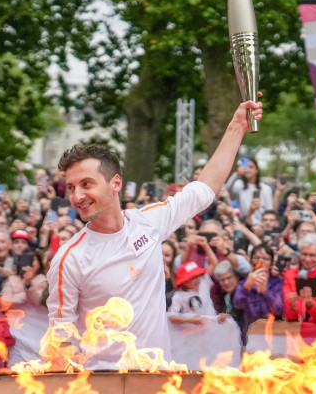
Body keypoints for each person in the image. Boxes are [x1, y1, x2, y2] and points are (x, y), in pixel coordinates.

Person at [45, 100, 262, 370]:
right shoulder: (70, 258)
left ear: (115, 183)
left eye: (87, 184)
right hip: (100, 383)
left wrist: (237, 126)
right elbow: (60, 338)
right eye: (71, 187)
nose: (77, 196)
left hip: (158, 378)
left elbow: (204, 188)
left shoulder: (147, 223)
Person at [282, 233, 316, 323]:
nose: (307, 259)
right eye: (304, 254)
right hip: (294, 329)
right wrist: (293, 306)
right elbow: (288, 315)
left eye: (312, 255)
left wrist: (310, 305)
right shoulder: (289, 275)